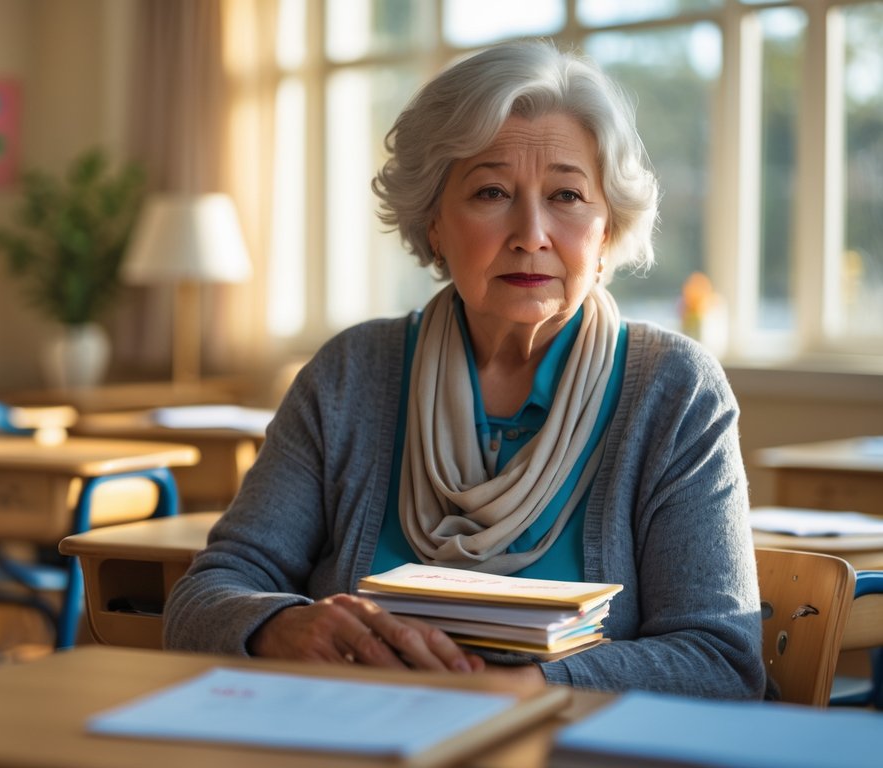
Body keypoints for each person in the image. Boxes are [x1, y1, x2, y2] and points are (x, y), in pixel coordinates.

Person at [163, 40, 765, 699]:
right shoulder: (351, 374)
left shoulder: (674, 390)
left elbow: (718, 662)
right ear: (433, 224)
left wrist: (523, 690)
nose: (530, 232)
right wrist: (279, 627)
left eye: (566, 194)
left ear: (607, 231)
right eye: (490, 192)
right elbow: (205, 593)